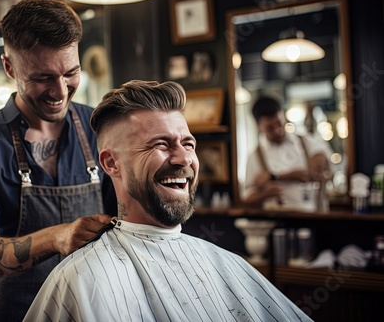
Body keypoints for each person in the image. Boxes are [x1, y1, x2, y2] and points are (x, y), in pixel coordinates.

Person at [24, 80, 313, 322]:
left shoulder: (227, 263)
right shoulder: (81, 279)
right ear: (112, 163)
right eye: (161, 144)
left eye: (188, 144)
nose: (184, 158)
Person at [0, 0, 116, 322]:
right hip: (15, 313)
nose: (60, 91)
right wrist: (56, 237)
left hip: (95, 310)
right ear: (9, 67)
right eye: (42, 77)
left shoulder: (101, 127)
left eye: (71, 72)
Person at [242, 95, 333, 211]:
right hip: (279, 221)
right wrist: (264, 194)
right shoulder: (255, 157)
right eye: (270, 128)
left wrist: (321, 159)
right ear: (258, 127)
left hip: (313, 217)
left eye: (279, 123)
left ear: (283, 116)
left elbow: (328, 165)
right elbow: (247, 197)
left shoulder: (306, 142)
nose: (277, 131)